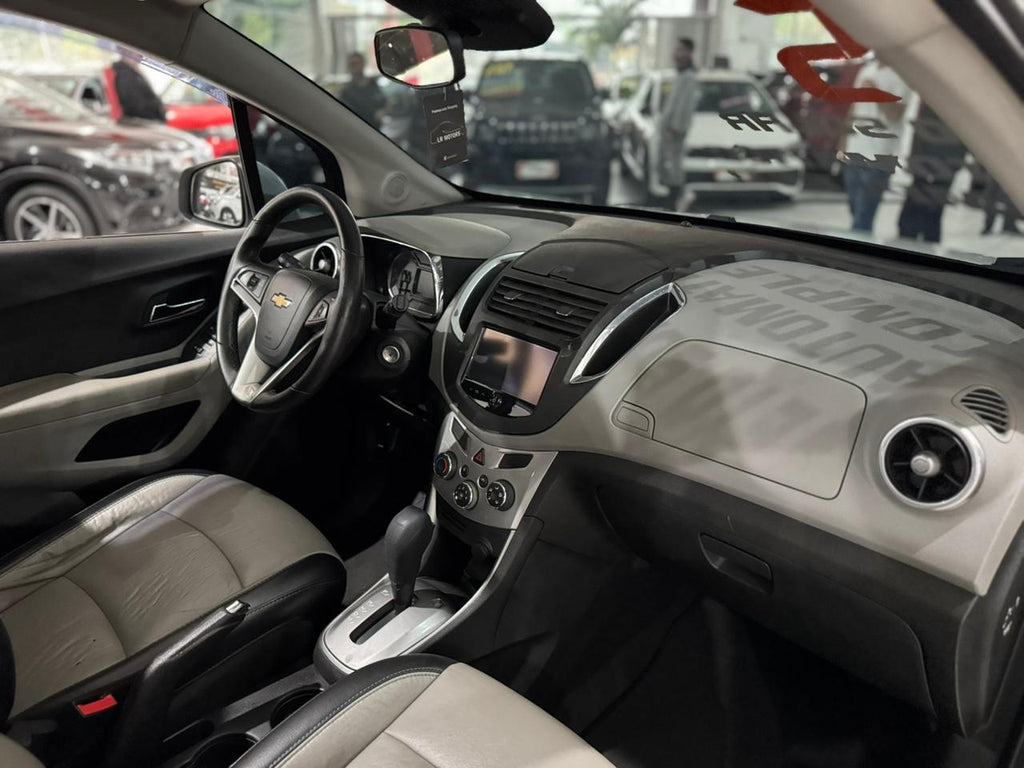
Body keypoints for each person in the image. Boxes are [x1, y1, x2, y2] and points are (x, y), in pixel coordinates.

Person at [838, 58, 910, 233]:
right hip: (855, 148)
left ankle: (856, 246)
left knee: (864, 214)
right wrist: (843, 142)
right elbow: (854, 107)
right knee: (854, 208)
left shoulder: (902, 74)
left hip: (880, 153)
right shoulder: (867, 69)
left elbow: (895, 115)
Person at [897, 103, 965, 243]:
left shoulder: (953, 106)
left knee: (925, 216)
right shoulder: (938, 103)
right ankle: (916, 245)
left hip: (939, 164)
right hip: (931, 164)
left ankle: (916, 245)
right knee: (919, 217)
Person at [654, 38, 698, 211]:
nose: (676, 53)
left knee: (674, 167)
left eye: (680, 50)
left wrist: (675, 126)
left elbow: (684, 105)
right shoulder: (680, 75)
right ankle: (671, 200)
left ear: (689, 52)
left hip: (675, 131)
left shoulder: (688, 76)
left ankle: (674, 203)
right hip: (669, 131)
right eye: (676, 49)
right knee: (668, 166)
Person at [340, 52, 386, 130]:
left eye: (357, 63)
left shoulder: (372, 84)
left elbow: (383, 102)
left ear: (362, 64)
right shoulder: (346, 91)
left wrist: (382, 111)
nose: (355, 67)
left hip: (374, 128)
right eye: (352, 64)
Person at [110, 57, 165, 122]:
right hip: (143, 119)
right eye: (138, 56)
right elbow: (135, 104)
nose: (139, 59)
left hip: (146, 118)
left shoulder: (131, 71)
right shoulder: (126, 74)